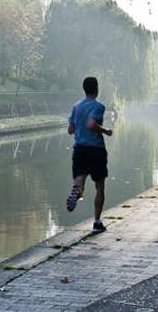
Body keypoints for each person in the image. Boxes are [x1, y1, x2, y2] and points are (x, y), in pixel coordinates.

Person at [66, 76, 113, 233]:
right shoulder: (98, 106)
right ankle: (97, 222)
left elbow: (70, 129)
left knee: (80, 181)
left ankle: (76, 190)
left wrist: (80, 128)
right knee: (100, 186)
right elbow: (92, 124)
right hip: (95, 149)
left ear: (84, 89)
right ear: (96, 89)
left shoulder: (76, 106)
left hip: (79, 149)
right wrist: (105, 131)